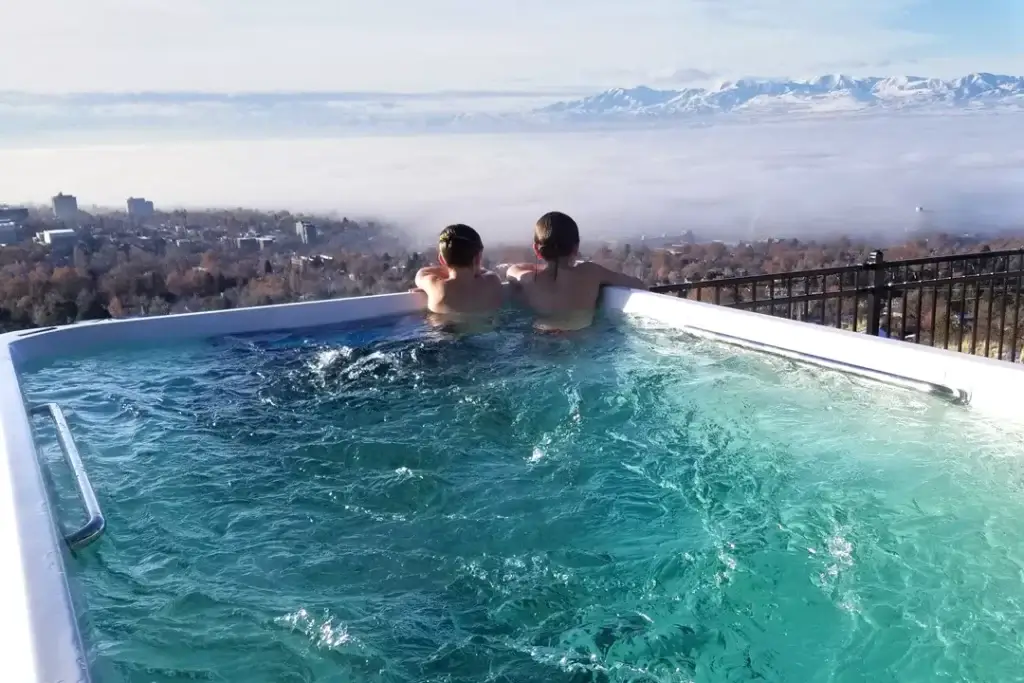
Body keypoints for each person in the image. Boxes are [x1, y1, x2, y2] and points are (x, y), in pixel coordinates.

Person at [507, 211, 645, 330]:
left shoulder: (529, 280)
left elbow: (512, 270)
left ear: (537, 249)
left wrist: (541, 267)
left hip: (543, 344)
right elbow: (637, 285)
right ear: (576, 248)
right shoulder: (591, 273)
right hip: (583, 342)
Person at [414, 224, 504, 320]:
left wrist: (450, 267)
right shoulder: (492, 281)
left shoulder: (437, 287)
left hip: (445, 331)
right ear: (477, 258)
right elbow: (486, 272)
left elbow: (421, 273)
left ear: (441, 260)